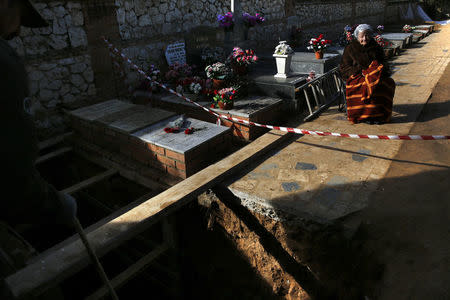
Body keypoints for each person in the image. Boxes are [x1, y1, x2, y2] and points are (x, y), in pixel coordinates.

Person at [0, 0, 77, 227]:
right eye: (21, 18)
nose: (18, 30)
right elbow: (12, 162)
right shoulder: (4, 61)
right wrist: (53, 204)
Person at [339, 24, 396, 124]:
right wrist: (361, 71)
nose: (365, 38)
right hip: (357, 76)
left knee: (386, 84)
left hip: (374, 75)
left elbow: (383, 62)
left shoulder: (376, 47)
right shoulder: (350, 48)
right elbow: (344, 67)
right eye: (362, 36)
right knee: (363, 86)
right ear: (357, 36)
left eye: (367, 35)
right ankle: (363, 116)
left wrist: (378, 70)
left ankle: (378, 115)